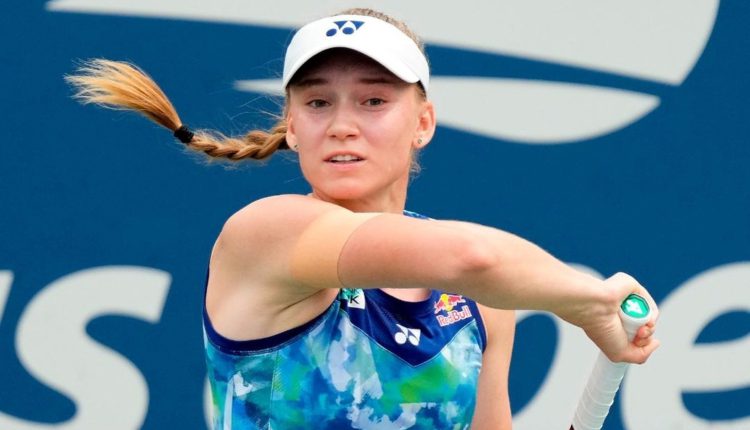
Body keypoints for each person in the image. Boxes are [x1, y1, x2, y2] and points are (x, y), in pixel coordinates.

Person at [66, 7, 659, 430]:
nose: (342, 125)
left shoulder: (482, 305)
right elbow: (472, 258)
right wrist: (589, 302)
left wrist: (585, 301)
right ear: (292, 127)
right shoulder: (266, 233)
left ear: (423, 122)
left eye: (374, 100)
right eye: (318, 102)